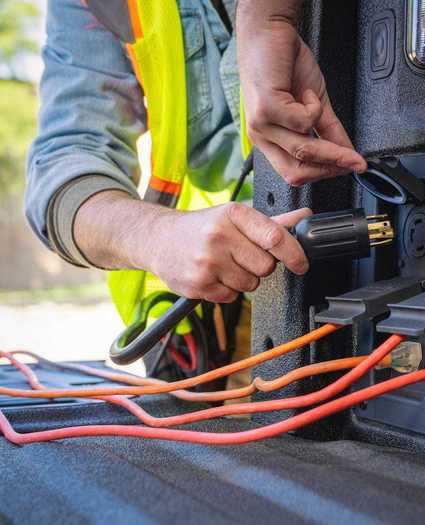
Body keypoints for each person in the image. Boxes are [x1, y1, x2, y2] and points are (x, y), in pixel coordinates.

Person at [25, 0, 367, 377]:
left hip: (372, 274)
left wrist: (268, 15)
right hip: (227, 317)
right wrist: (158, 236)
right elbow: (63, 168)